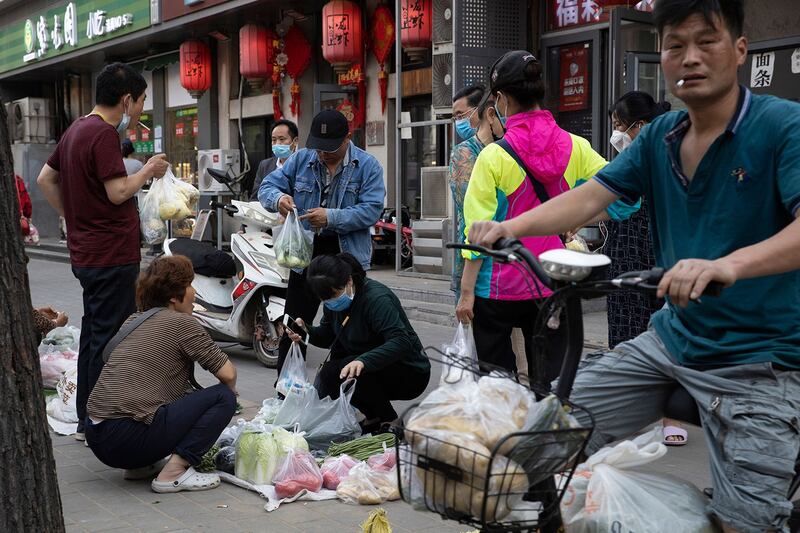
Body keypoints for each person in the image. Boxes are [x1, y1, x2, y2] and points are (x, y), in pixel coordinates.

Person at [469, 1, 800, 531]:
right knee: (536, 448)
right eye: (675, 46)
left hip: (761, 356)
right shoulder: (660, 136)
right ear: (662, 58)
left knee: (747, 522)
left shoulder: (783, 127)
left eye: (706, 42)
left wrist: (729, 266)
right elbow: (590, 197)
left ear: (740, 50)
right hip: (670, 341)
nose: (690, 58)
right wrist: (511, 228)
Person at [457, 51, 610, 383]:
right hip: (552, 280)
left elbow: (477, 234)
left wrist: (466, 291)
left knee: (497, 388)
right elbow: (624, 196)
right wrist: (578, 217)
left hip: (495, 288)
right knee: (552, 383)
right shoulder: (577, 146)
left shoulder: (493, 156)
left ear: (501, 99)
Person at [37, 62, 170, 441]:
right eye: (142, 100)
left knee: (95, 335)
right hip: (111, 255)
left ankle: (86, 419)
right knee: (112, 339)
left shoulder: (76, 129)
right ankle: (101, 421)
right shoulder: (103, 134)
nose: (141, 109)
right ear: (126, 100)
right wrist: (148, 170)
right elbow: (118, 192)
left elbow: (45, 178)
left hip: (87, 252)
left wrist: (74, 218)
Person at [86, 256, 237, 493]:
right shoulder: (181, 323)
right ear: (174, 297)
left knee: (174, 397)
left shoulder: (134, 319)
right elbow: (228, 374)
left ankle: (139, 465)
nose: (194, 292)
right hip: (125, 438)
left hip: (96, 435)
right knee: (224, 398)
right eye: (190, 285)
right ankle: (174, 473)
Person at [259, 110, 385, 375]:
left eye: (330, 148)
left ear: (347, 138)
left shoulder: (368, 165)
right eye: (319, 148)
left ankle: (348, 388)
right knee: (294, 323)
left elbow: (372, 209)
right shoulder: (302, 159)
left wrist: (331, 218)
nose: (323, 154)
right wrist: (279, 199)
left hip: (347, 256)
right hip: (305, 254)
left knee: (351, 327)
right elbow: (267, 186)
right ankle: (285, 388)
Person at [607, 91, 687, 446]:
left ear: (639, 126)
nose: (617, 135)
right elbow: (599, 198)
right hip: (625, 256)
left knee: (668, 331)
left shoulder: (672, 156)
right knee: (626, 331)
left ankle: (673, 414)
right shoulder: (629, 160)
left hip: (662, 254)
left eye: (620, 127)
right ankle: (629, 409)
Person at [286, 253, 430, 430]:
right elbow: (328, 337)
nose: (330, 302)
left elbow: (401, 341)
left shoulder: (376, 299)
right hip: (373, 367)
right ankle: (373, 417)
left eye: (333, 295)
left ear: (349, 281)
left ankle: (390, 420)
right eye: (325, 300)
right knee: (330, 374)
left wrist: (363, 361)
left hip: (409, 370)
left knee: (351, 368)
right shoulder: (333, 303)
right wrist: (306, 331)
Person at [250, 119, 300, 200]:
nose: (277, 143)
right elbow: (255, 197)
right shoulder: (265, 165)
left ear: (295, 141)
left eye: (282, 139)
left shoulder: (303, 165)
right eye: (274, 140)